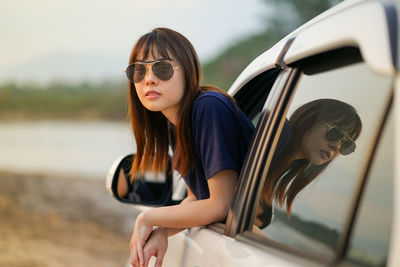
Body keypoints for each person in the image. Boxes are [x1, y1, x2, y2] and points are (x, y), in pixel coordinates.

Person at [125, 28, 255, 267]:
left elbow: (220, 204)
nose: (149, 79)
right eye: (139, 70)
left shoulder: (209, 107)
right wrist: (162, 231)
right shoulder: (178, 126)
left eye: (162, 68)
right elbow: (196, 199)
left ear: (187, 71)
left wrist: (147, 218)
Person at [255, 99, 362, 229]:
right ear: (312, 118)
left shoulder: (279, 163)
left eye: (345, 145)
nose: (336, 146)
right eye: (335, 132)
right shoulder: (279, 133)